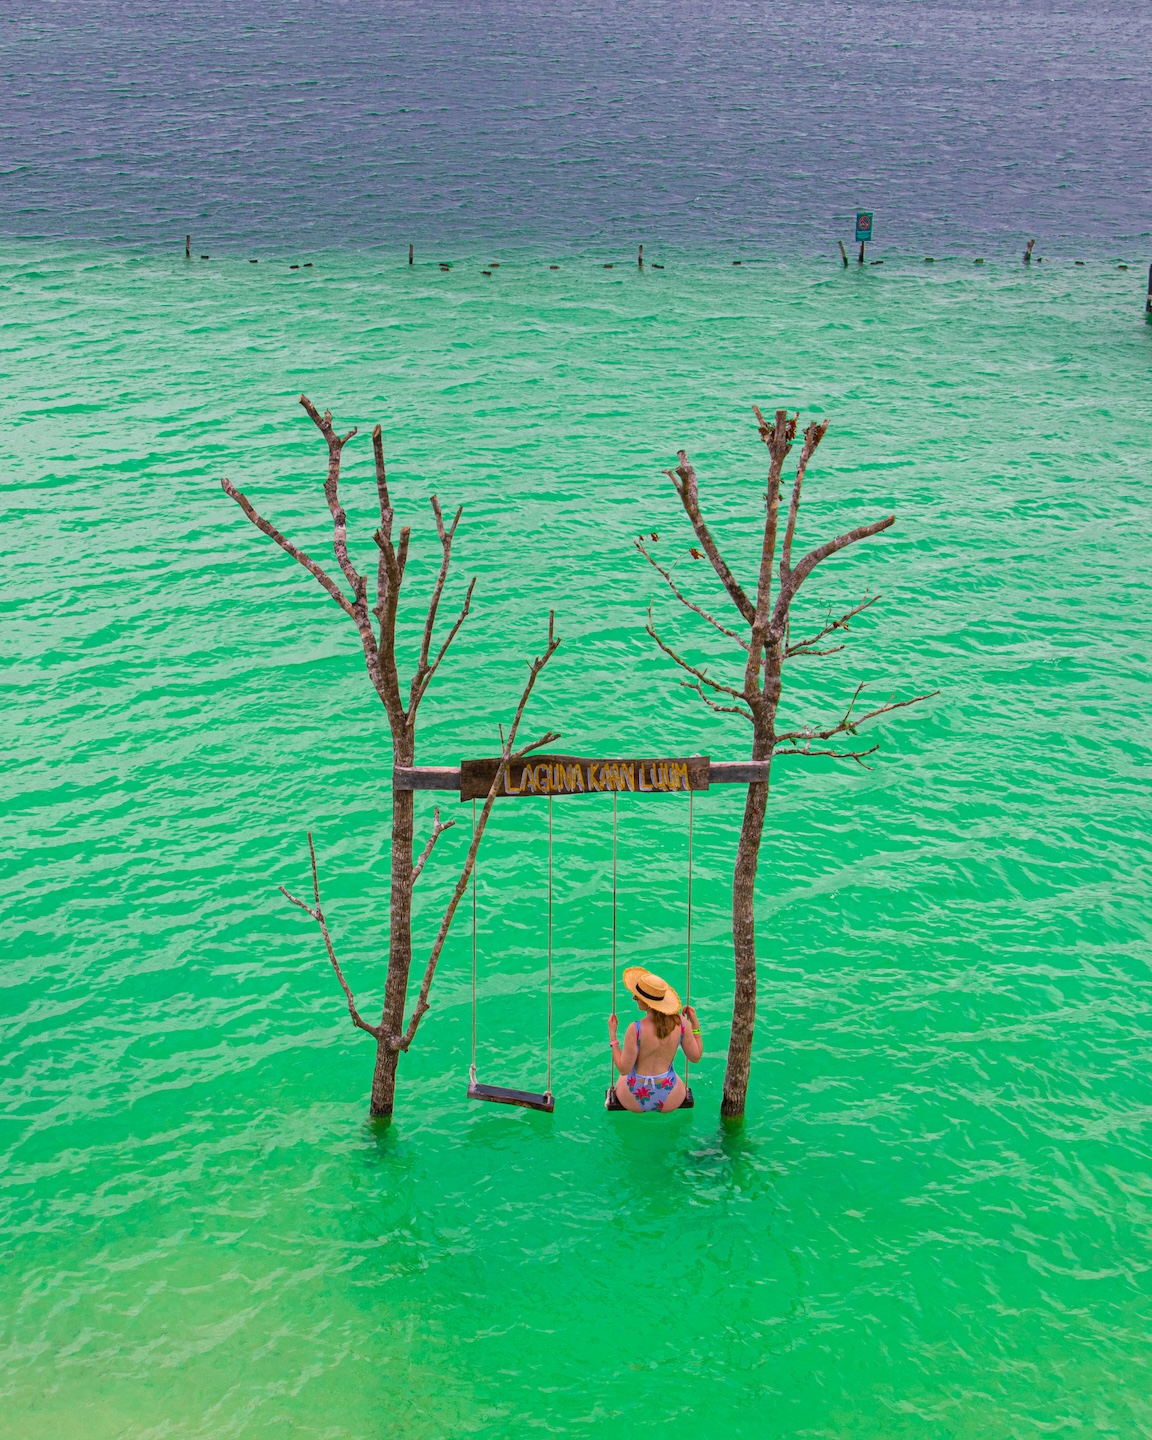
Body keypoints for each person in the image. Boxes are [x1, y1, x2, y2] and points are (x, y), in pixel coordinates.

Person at [608, 966, 702, 1112]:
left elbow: (623, 1068)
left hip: (633, 1096)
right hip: (670, 1096)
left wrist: (613, 1036)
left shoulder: (636, 1029)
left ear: (647, 1002)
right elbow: (695, 1057)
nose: (634, 998)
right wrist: (695, 1025)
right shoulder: (682, 1023)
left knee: (622, 1079)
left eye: (637, 996)